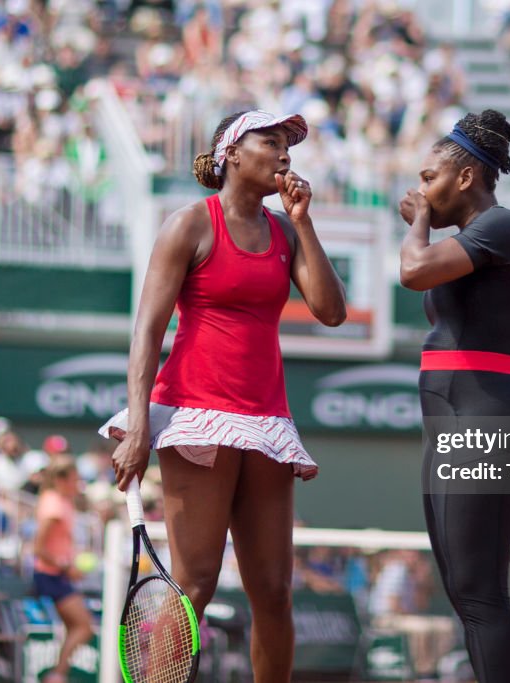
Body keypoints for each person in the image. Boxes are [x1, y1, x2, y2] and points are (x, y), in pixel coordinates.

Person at [103, 109, 346, 681]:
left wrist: (304, 222)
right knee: (192, 586)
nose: (285, 153)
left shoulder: (286, 230)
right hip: (194, 416)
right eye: (272, 141)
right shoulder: (189, 224)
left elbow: (332, 312)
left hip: (265, 420)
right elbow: (147, 332)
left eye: (290, 144)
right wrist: (138, 427)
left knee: (275, 593)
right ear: (231, 152)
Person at [399, 109, 510, 683]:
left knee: (480, 597)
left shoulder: (505, 226)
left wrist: (418, 224)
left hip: (488, 420)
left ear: (465, 178)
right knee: (468, 594)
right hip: (459, 424)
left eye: (430, 176)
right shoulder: (472, 241)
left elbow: (414, 271)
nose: (421, 189)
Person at [33, 456, 93, 683]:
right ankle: (57, 675)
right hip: (50, 576)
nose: (77, 484)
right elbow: (38, 548)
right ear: (61, 480)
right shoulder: (54, 504)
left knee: (76, 626)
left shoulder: (61, 502)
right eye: (74, 479)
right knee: (83, 626)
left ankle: (58, 674)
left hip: (57, 574)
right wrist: (67, 568)